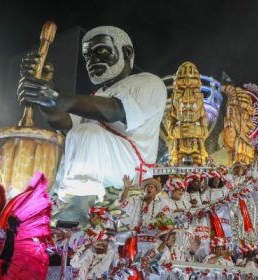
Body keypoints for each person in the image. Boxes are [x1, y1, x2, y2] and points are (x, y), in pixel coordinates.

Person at [18, 26, 167, 203]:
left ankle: (78, 204)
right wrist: (43, 95)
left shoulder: (149, 82)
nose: (92, 60)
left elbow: (114, 111)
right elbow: (65, 124)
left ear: (126, 53)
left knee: (86, 133)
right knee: (49, 150)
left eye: (102, 51)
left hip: (132, 168)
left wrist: (55, 98)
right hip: (98, 162)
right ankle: (38, 206)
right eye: (88, 56)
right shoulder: (96, 97)